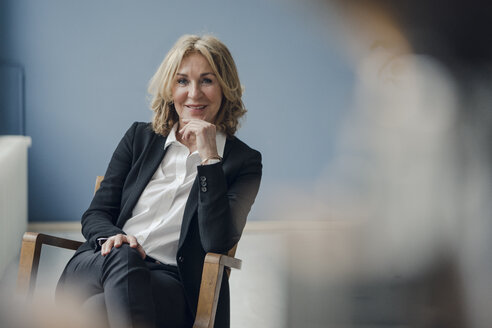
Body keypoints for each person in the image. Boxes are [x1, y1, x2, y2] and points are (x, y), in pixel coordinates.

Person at [56, 34, 262, 328]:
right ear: (169, 88)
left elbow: (217, 240)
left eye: (207, 80)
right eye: (182, 81)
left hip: (169, 281)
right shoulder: (139, 137)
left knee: (98, 309)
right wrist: (113, 238)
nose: (194, 94)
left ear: (225, 88)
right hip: (100, 260)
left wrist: (210, 160)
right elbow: (96, 213)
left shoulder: (243, 161)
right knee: (123, 257)